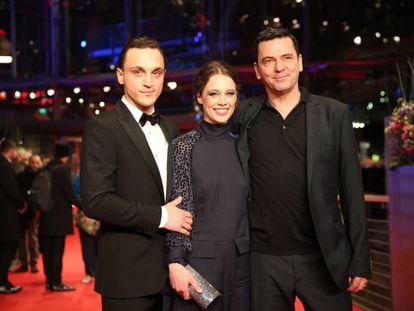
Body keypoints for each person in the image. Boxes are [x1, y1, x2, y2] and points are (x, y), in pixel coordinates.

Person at [232, 27, 372, 310]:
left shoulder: (334, 114)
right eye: (268, 61)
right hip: (262, 260)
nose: (279, 67)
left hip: (323, 256)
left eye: (286, 57)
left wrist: (359, 258)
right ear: (257, 70)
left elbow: (351, 191)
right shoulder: (241, 116)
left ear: (299, 61)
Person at [80, 36, 193, 311]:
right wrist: (162, 216)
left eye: (156, 73)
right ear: (120, 75)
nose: (149, 82)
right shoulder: (102, 127)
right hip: (127, 277)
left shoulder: (169, 127)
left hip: (171, 272)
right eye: (138, 71)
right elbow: (95, 201)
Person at [165, 61, 250, 311]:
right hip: (199, 263)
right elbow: (177, 208)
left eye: (229, 93)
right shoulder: (183, 146)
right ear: (199, 97)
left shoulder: (246, 145)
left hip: (243, 265)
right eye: (214, 93)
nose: (222, 101)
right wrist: (176, 262)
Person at [38, 141, 80, 292]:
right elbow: (69, 194)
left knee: (48, 251)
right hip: (59, 217)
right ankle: (56, 282)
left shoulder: (46, 167)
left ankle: (49, 281)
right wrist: (83, 206)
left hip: (45, 215)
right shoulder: (62, 170)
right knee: (57, 251)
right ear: (66, 156)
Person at [0, 140, 26, 294]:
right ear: (10, 150)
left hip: (5, 214)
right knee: (7, 248)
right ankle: (2, 282)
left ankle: (3, 281)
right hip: (6, 215)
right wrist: (21, 204)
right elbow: (11, 189)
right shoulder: (4, 166)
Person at [16, 154, 43, 273]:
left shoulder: (43, 176)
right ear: (29, 163)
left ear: (40, 163)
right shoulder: (21, 176)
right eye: (33, 162)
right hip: (22, 211)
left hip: (35, 212)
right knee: (21, 239)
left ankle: (34, 263)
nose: (35, 165)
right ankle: (24, 263)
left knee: (33, 238)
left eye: (37, 162)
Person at [72, 167, 98, 285]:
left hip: (102, 215)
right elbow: (75, 195)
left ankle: (100, 272)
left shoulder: (104, 172)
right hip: (85, 215)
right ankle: (89, 273)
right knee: (87, 246)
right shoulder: (79, 176)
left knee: (101, 246)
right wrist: (86, 209)